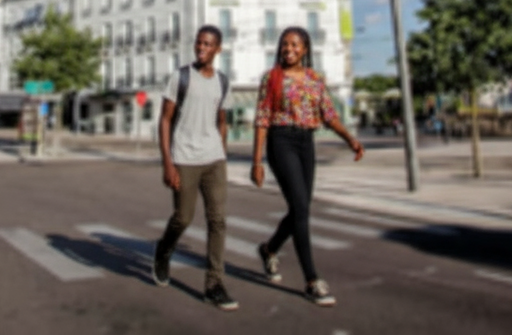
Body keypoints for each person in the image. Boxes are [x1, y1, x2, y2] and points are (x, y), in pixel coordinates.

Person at [251, 27, 363, 307]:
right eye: (285, 44)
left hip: (306, 143)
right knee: (300, 208)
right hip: (281, 141)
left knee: (300, 209)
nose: (288, 49)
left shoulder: (315, 79)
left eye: (295, 45)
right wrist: (257, 161)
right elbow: (262, 119)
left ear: (305, 49)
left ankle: (269, 249)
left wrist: (350, 139)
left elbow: (329, 115)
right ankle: (312, 280)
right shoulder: (272, 78)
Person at [152, 25, 238, 311]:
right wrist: (168, 162)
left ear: (218, 49)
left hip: (214, 160)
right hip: (185, 158)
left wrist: (221, 151)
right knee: (183, 218)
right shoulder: (181, 77)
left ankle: (214, 285)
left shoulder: (222, 81)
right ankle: (164, 250)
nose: (201, 48)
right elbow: (165, 120)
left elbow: (222, 121)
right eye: (199, 43)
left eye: (208, 44)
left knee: (218, 221)